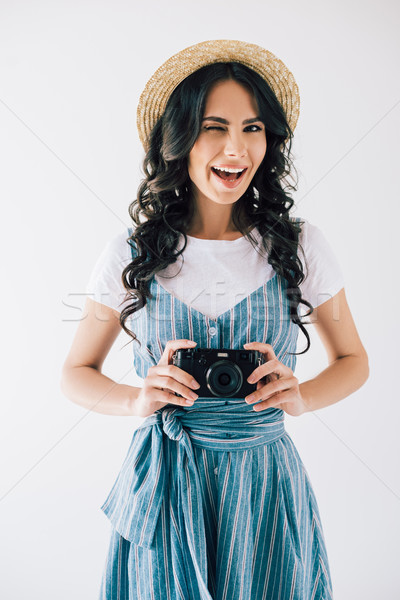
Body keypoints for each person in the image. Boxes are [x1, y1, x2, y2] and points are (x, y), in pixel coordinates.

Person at [61, 40, 369, 599]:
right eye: (214, 126)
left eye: (253, 128)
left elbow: (354, 360)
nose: (236, 148)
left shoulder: (301, 246)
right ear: (180, 140)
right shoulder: (130, 252)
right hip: (165, 484)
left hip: (266, 485)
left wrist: (301, 396)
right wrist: (135, 399)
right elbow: (75, 371)